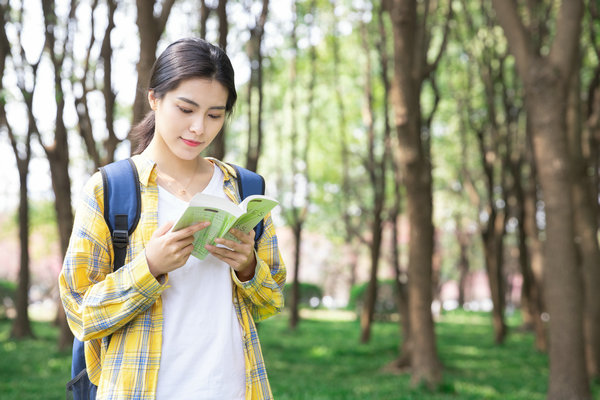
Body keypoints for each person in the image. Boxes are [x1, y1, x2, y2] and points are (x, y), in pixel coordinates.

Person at [59, 38, 286, 400]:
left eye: (215, 114)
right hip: (139, 389)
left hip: (232, 388)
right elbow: (81, 314)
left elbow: (271, 301)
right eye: (186, 109)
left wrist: (247, 267)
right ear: (154, 98)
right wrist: (149, 267)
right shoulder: (110, 188)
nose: (199, 127)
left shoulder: (243, 189)